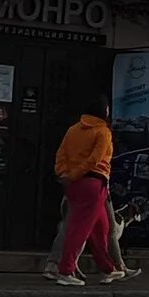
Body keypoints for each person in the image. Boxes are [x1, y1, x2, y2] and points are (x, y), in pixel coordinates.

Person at [47, 101, 133, 287]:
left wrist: (64, 174)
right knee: (80, 229)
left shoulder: (73, 130)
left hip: (75, 184)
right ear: (103, 112)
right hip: (94, 183)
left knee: (100, 229)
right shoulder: (103, 132)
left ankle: (108, 269)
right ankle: (66, 270)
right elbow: (95, 159)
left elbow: (61, 154)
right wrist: (75, 174)